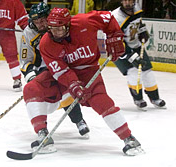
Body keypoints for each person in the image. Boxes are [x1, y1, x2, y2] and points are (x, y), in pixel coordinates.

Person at [38, 7, 144, 156]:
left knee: (103, 103)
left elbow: (108, 17)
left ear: (68, 25)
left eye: (59, 28)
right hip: (66, 75)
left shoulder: (84, 22)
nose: (55, 32)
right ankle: (40, 131)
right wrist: (73, 84)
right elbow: (60, 70)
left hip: (89, 71)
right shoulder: (46, 43)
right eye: (52, 28)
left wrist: (114, 35)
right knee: (39, 94)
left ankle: (129, 138)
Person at [19, 2, 90, 153]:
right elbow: (25, 61)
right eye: (36, 21)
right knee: (40, 96)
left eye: (43, 20)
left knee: (68, 90)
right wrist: (32, 77)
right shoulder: (29, 33)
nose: (40, 24)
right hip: (43, 71)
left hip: (64, 67)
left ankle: (78, 120)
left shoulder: (59, 27)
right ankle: (42, 131)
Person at [111, 0, 166, 110]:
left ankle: (155, 98)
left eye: (130, 1)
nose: (128, 3)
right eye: (125, 1)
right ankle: (138, 99)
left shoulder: (137, 9)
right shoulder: (116, 17)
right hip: (117, 49)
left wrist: (142, 32)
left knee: (147, 72)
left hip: (135, 45)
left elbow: (139, 23)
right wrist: (129, 55)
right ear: (121, 2)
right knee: (133, 71)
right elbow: (115, 40)